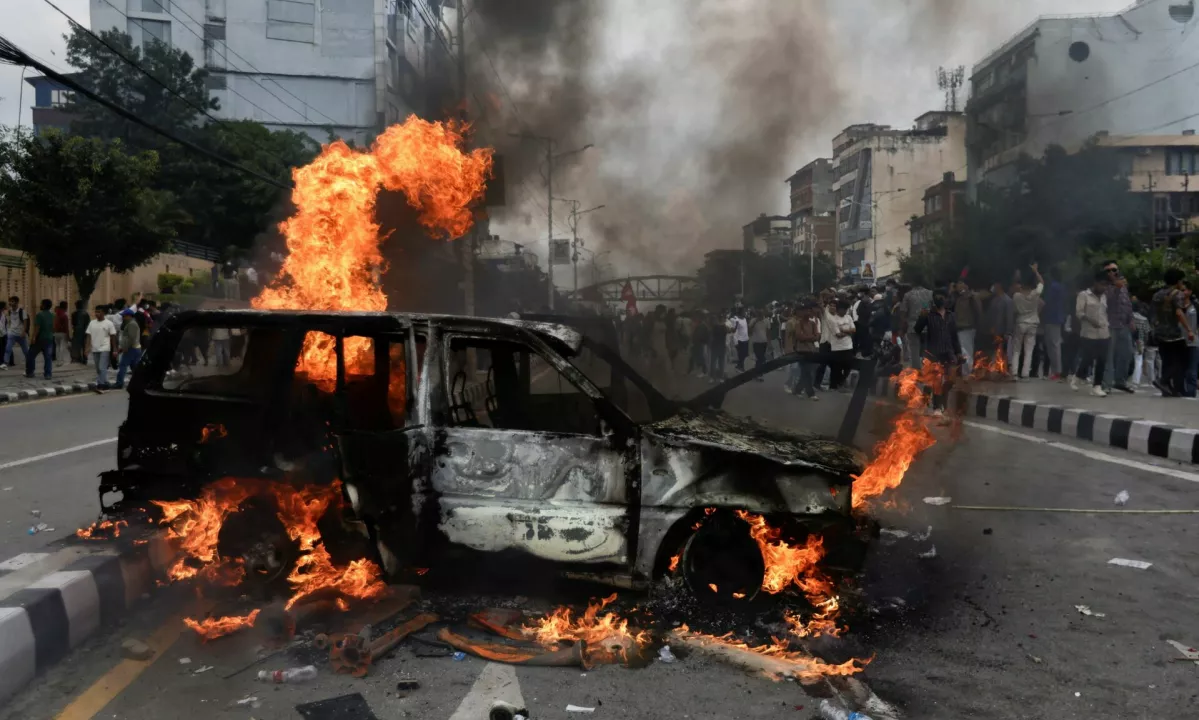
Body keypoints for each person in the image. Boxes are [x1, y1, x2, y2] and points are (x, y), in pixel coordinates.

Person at [915, 290, 963, 413]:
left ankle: (940, 403)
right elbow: (917, 330)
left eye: (943, 297)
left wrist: (958, 352)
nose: (941, 299)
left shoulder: (951, 315)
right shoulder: (928, 315)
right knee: (935, 380)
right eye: (938, 297)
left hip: (949, 352)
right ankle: (936, 407)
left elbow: (954, 335)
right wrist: (922, 317)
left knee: (949, 380)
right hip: (933, 353)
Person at [1152, 268, 1194, 397]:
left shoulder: (1157, 294)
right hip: (1174, 333)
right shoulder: (1178, 294)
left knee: (1167, 360)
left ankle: (1168, 389)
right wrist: (1189, 330)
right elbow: (1179, 313)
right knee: (1180, 360)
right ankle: (1163, 380)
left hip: (1160, 332)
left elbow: (1153, 313)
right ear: (1178, 281)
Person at [1071, 271, 1111, 397]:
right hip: (1089, 333)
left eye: (1106, 286)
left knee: (1102, 359)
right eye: (1102, 285)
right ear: (1095, 283)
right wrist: (1090, 320)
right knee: (1088, 358)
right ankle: (1077, 376)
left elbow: (1105, 313)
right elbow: (1079, 313)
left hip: (1104, 332)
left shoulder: (1104, 296)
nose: (1104, 288)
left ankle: (1097, 386)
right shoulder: (1084, 295)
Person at [1102, 262, 1136, 393]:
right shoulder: (1104, 286)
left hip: (1124, 325)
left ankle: (1120, 381)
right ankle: (1106, 384)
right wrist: (1116, 288)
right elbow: (1107, 301)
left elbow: (1127, 304)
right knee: (1109, 356)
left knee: (1127, 353)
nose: (1112, 273)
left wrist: (1131, 319)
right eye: (1108, 271)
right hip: (1110, 325)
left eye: (1114, 269)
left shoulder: (1123, 286)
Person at [1010, 263, 1044, 380]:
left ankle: (1014, 372)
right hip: (1033, 323)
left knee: (1017, 349)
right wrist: (1036, 271)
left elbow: (1014, 310)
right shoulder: (1035, 294)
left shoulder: (1016, 296)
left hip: (1020, 322)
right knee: (1029, 350)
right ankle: (1025, 374)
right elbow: (1042, 283)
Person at [787, 301, 821, 399]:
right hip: (801, 350)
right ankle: (811, 393)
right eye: (806, 311)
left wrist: (807, 337)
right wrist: (811, 337)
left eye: (810, 311)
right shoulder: (798, 323)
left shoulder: (813, 323)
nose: (808, 313)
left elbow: (817, 336)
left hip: (811, 350)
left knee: (806, 372)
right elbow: (799, 337)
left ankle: (797, 390)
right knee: (807, 372)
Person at [824, 299, 856, 390]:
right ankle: (835, 385)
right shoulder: (833, 320)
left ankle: (841, 382)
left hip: (848, 346)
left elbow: (854, 330)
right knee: (836, 368)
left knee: (848, 366)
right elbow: (838, 335)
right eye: (843, 309)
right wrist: (848, 332)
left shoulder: (848, 318)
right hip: (837, 347)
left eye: (846, 309)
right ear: (838, 309)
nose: (845, 311)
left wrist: (843, 330)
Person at [84, 305, 118, 391]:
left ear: (103, 313)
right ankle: (105, 382)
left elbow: (113, 336)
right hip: (95, 348)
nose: (97, 313)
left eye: (99, 312)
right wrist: (87, 348)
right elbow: (88, 335)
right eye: (96, 312)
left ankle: (101, 384)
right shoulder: (92, 323)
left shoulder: (109, 323)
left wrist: (114, 349)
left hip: (105, 348)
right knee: (98, 368)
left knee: (102, 367)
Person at [1042, 267, 1067, 380]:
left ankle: (1057, 371)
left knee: (1053, 345)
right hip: (1058, 318)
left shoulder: (1053, 287)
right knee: (1055, 345)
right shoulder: (1061, 287)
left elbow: (1047, 302)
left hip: (1051, 318)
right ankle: (1056, 370)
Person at [900, 283, 932, 369]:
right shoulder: (930, 293)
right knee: (926, 349)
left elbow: (903, 312)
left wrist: (903, 326)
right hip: (927, 324)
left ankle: (917, 371)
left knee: (914, 349)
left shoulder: (908, 295)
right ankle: (928, 369)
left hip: (913, 326)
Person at [952, 281, 982, 374]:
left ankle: (967, 371)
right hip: (961, 327)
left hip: (968, 327)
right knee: (964, 349)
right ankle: (966, 370)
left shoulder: (972, 298)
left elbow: (978, 312)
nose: (958, 288)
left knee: (966, 350)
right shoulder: (959, 298)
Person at [986, 280, 1015, 373]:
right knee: (996, 351)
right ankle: (997, 369)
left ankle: (1005, 370)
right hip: (995, 331)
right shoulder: (994, 300)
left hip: (1003, 331)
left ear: (999, 286)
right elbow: (991, 316)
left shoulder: (1007, 300)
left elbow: (1009, 317)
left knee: (1004, 352)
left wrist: (1008, 332)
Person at [26, 299, 55, 380]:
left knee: (30, 356)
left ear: (44, 305)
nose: (40, 305)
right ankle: (48, 374)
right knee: (48, 357)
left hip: (40, 339)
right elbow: (53, 328)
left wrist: (33, 338)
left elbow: (37, 329)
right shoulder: (53, 315)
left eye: (41, 304)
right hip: (49, 339)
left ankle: (30, 372)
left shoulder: (39, 315)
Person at [114, 308, 143, 390]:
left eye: (124, 316)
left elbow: (131, 338)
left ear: (129, 316)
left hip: (131, 349)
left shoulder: (132, 324)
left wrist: (124, 348)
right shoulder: (130, 323)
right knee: (134, 367)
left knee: (123, 365)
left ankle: (119, 383)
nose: (123, 317)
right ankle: (138, 383)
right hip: (134, 348)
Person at [2, 295, 30, 370]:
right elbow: (8, 321)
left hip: (21, 334)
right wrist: (8, 330)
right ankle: (5, 363)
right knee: (8, 349)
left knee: (25, 350)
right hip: (12, 333)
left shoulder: (22, 311)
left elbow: (25, 322)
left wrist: (24, 332)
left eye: (13, 301)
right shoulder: (9, 311)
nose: (11, 303)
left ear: (17, 302)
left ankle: (29, 362)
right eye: (10, 301)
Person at [1132, 299, 1155, 388]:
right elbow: (1147, 332)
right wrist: (1145, 342)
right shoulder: (1144, 319)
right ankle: (1135, 381)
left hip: (1128, 340)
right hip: (1140, 342)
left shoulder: (1129, 317)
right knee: (1138, 361)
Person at [1182, 284, 1199, 398]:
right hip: (1179, 340)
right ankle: (1181, 390)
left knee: (1192, 370)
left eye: (1184, 290)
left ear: (1190, 291)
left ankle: (1191, 392)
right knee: (1181, 369)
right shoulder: (1176, 306)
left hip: (1193, 341)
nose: (1182, 292)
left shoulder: (1196, 306)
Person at [688, 312, 710, 377]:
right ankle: (690, 370)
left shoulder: (702, 326)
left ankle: (704, 371)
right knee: (693, 357)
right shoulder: (700, 325)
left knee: (700, 358)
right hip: (697, 344)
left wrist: (694, 341)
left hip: (700, 344)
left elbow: (699, 336)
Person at [709, 312, 728, 381]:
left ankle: (712, 377)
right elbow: (729, 332)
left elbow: (711, 337)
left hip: (715, 346)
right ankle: (721, 377)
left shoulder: (714, 327)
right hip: (722, 347)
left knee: (713, 363)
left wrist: (710, 345)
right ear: (722, 319)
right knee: (721, 363)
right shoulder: (724, 327)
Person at [52, 300, 70, 367]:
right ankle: (61, 361)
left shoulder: (56, 314)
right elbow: (66, 327)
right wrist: (68, 335)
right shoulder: (64, 315)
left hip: (56, 333)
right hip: (63, 333)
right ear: (65, 306)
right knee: (62, 347)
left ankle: (58, 361)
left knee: (57, 347)